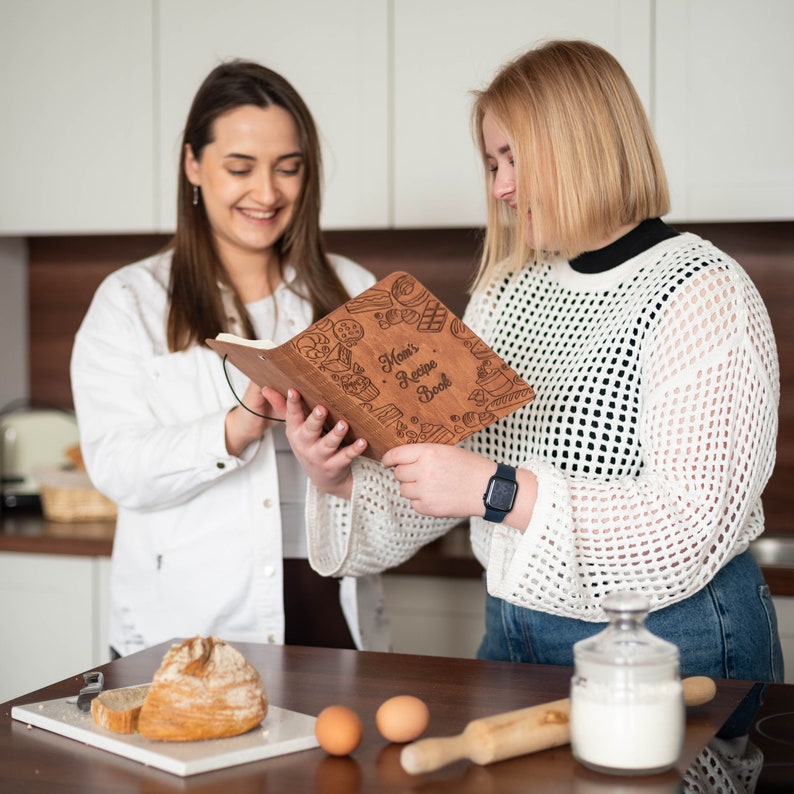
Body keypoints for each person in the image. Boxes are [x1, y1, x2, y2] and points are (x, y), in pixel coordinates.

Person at [269, 40, 784, 681]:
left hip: (671, 638)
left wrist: (496, 488)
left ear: (587, 145)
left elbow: (690, 525)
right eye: (491, 163)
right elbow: (454, 480)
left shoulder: (703, 291)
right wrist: (340, 476)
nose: (501, 186)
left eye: (515, 157)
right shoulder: (505, 289)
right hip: (513, 626)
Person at [70, 60, 390, 657]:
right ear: (193, 164)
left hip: (330, 604)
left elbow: (402, 465)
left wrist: (347, 463)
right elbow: (115, 466)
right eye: (240, 168)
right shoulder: (129, 301)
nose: (267, 193)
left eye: (288, 169)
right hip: (185, 625)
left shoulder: (353, 291)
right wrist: (235, 426)